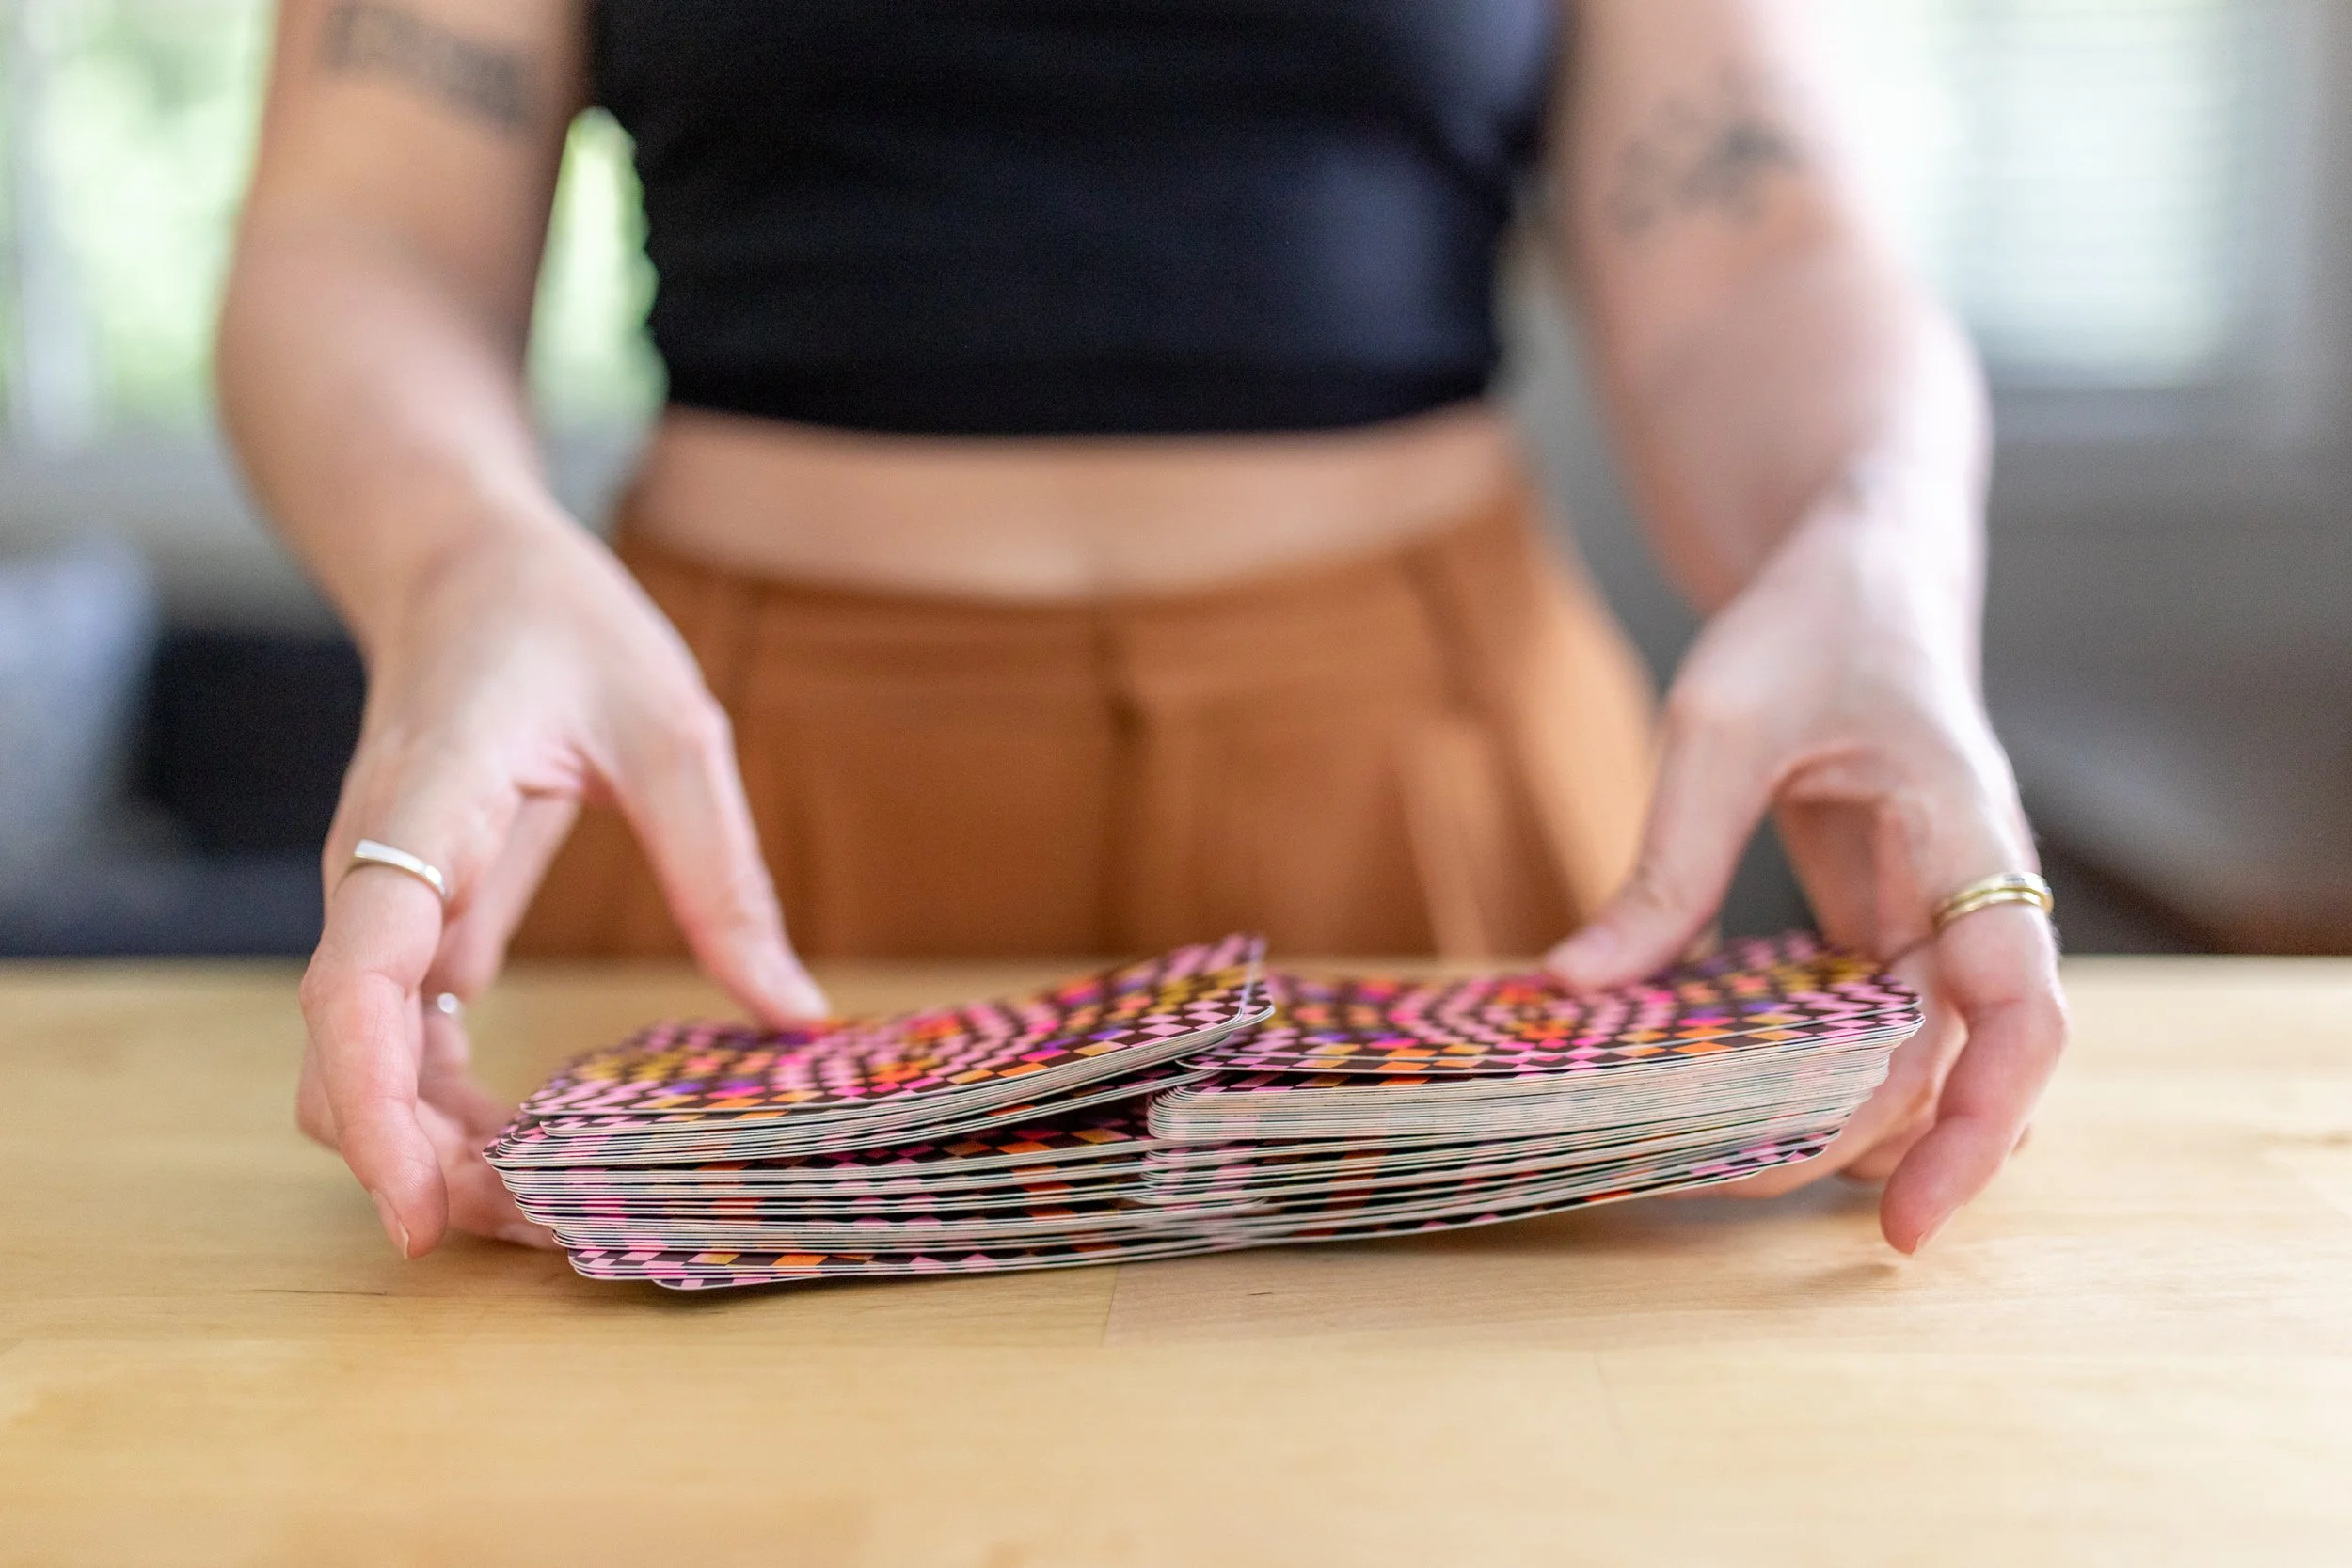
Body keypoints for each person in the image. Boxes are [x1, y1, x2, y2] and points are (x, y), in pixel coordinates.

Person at [218, 0, 2067, 1265]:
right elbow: (359, 224)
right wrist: (460, 554)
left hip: (1435, 759)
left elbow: (1750, 238)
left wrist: (1873, 547)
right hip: (735, 782)